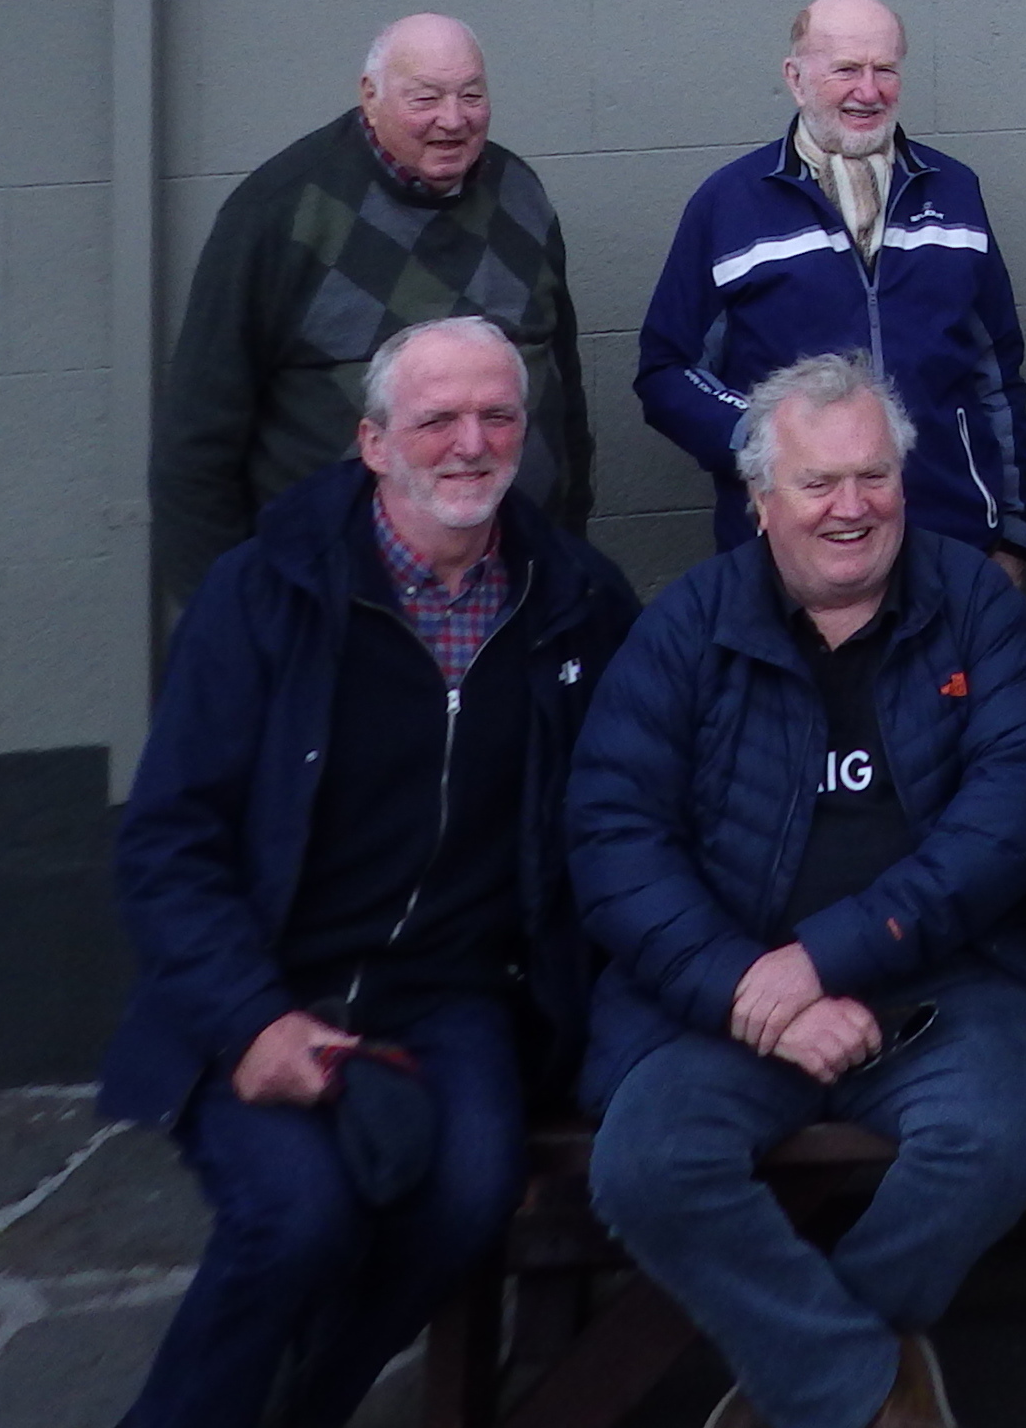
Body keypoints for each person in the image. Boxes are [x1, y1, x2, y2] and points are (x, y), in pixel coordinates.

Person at [103, 317, 639, 1428]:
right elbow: (167, 839)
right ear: (374, 442)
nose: (470, 443)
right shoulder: (265, 594)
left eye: (497, 415)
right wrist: (250, 1021)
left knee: (470, 1198)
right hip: (270, 978)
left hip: (458, 992)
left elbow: (621, 813)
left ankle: (311, 1408)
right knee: (297, 1218)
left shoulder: (576, 598)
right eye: (436, 418)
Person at [570, 354, 1026, 1428]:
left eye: (874, 476)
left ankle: (799, 1380)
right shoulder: (685, 626)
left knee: (1002, 1137)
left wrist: (826, 959)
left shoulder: (975, 605)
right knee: (647, 1164)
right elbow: (613, 836)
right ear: (759, 502)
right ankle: (872, 1393)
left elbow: (1010, 820)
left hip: (943, 987)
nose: (853, 508)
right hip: (727, 997)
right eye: (818, 483)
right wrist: (749, 979)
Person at [154, 16, 593, 606]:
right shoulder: (278, 212)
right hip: (329, 601)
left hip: (513, 586)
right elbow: (197, 445)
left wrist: (567, 550)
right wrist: (222, 617)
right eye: (425, 98)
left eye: (472, 95)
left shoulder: (521, 195)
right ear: (370, 95)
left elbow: (564, 392)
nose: (453, 119)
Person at [634, 0, 1026, 580]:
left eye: (885, 70)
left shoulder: (954, 193)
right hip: (786, 557)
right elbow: (666, 370)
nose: (869, 91)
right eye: (846, 69)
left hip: (951, 545)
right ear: (796, 79)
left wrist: (1017, 532)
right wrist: (760, 434)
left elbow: (998, 378)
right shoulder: (729, 205)